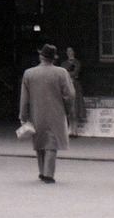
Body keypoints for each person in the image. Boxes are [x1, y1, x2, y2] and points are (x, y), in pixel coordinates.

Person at [19, 43, 76, 183]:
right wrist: (67, 109)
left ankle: (41, 171)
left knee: (39, 142)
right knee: (52, 143)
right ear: (54, 58)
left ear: (40, 57)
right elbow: (70, 95)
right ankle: (48, 174)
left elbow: (24, 98)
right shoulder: (62, 73)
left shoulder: (29, 73)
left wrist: (23, 115)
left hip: (36, 112)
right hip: (56, 112)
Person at [61, 47, 86, 136]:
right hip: (66, 85)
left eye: (71, 51)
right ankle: (69, 129)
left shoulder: (77, 62)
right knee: (69, 107)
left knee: (75, 107)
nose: (69, 53)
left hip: (74, 84)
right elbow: (62, 73)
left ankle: (75, 130)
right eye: (68, 51)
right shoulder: (64, 63)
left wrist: (68, 74)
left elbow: (75, 72)